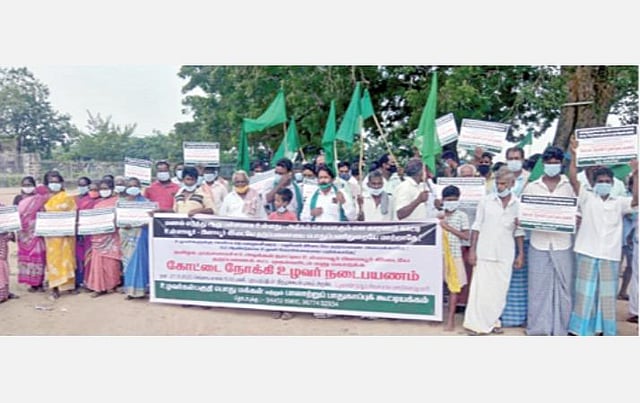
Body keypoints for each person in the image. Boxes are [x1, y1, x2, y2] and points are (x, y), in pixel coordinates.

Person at [567, 136, 638, 336]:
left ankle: (604, 329)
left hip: (610, 255)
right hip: (587, 251)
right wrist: (574, 155)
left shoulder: (619, 202)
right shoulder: (587, 197)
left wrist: (636, 173)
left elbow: (636, 200)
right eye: (601, 181)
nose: (604, 184)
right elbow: (573, 179)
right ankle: (579, 329)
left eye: (607, 182)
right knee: (584, 294)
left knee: (606, 296)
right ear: (594, 183)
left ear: (612, 183)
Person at [462, 166, 525, 335]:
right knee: (481, 290)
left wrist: (521, 254)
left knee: (499, 291)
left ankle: (493, 322)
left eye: (504, 183)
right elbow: (477, 226)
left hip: (505, 253)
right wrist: (472, 250)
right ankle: (476, 325)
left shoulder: (518, 204)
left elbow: (519, 232)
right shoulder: (486, 201)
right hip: (484, 251)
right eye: (498, 183)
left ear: (512, 184)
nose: (500, 187)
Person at [522, 146, 576, 336]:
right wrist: (523, 219)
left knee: (564, 286)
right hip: (538, 242)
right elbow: (524, 211)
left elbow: (578, 209)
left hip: (563, 243)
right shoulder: (532, 187)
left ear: (561, 164)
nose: (552, 165)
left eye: (556, 162)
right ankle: (538, 329)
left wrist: (575, 218)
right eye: (549, 162)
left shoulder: (569, 186)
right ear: (543, 164)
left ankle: (562, 328)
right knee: (538, 287)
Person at [500, 146, 530, 328]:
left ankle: (519, 317)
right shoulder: (500, 179)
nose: (513, 161)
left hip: (523, 236)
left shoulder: (531, 180)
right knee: (503, 277)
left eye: (516, 158)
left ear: (523, 159)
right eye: (510, 158)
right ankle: (502, 315)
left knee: (520, 279)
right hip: (502, 237)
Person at [438, 185, 470, 331]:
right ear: (443, 200)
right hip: (438, 256)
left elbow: (466, 236)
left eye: (454, 200)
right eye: (448, 200)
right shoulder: (438, 215)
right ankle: (437, 316)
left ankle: (450, 319)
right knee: (437, 287)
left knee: (454, 288)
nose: (451, 202)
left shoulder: (462, 216)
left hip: (455, 255)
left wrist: (449, 228)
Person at [85, 177, 122, 298]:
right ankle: (98, 287)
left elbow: (122, 217)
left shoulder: (118, 202)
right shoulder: (97, 204)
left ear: (112, 189)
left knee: (111, 262)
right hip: (98, 237)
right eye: (101, 189)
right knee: (98, 262)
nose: (103, 191)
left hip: (112, 236)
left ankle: (112, 285)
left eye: (106, 188)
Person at [43, 170, 77, 300]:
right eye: (51, 182)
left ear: (61, 183)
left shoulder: (67, 197)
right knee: (53, 261)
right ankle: (54, 287)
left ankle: (69, 286)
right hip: (51, 237)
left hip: (66, 235)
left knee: (68, 258)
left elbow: (73, 213)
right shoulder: (44, 198)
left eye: (56, 182)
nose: (54, 184)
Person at [267, 188, 297, 320]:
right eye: (275, 200)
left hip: (287, 254)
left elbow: (295, 233)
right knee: (275, 281)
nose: (276, 203)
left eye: (278, 201)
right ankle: (276, 306)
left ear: (286, 203)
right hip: (274, 254)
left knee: (287, 281)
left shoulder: (292, 216)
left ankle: (289, 308)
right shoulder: (272, 216)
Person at [16, 176, 49, 292]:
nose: (27, 187)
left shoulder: (40, 199)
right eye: (25, 185)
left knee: (38, 258)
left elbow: (44, 213)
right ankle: (31, 283)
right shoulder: (18, 199)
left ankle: (39, 283)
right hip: (22, 234)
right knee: (26, 259)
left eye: (29, 185)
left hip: (36, 233)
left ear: (34, 186)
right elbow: (14, 216)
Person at [121, 177, 151, 299]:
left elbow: (149, 220)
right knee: (127, 262)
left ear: (139, 187)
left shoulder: (146, 203)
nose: (133, 188)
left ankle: (141, 289)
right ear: (126, 188)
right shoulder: (121, 203)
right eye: (130, 186)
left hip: (140, 234)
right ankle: (129, 290)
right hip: (126, 236)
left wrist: (143, 222)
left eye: (135, 186)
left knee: (140, 261)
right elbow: (117, 219)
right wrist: (123, 224)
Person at [75, 181, 100, 290]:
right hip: (84, 235)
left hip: (98, 235)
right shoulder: (82, 201)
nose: (93, 192)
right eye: (91, 190)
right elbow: (76, 215)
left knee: (96, 259)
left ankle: (95, 282)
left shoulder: (102, 202)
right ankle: (84, 281)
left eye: (96, 190)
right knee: (83, 258)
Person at [0, 202, 17, 304]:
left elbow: (10, 223)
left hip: (1, 241)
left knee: (2, 266)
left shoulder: (3, 208)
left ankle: (4, 293)